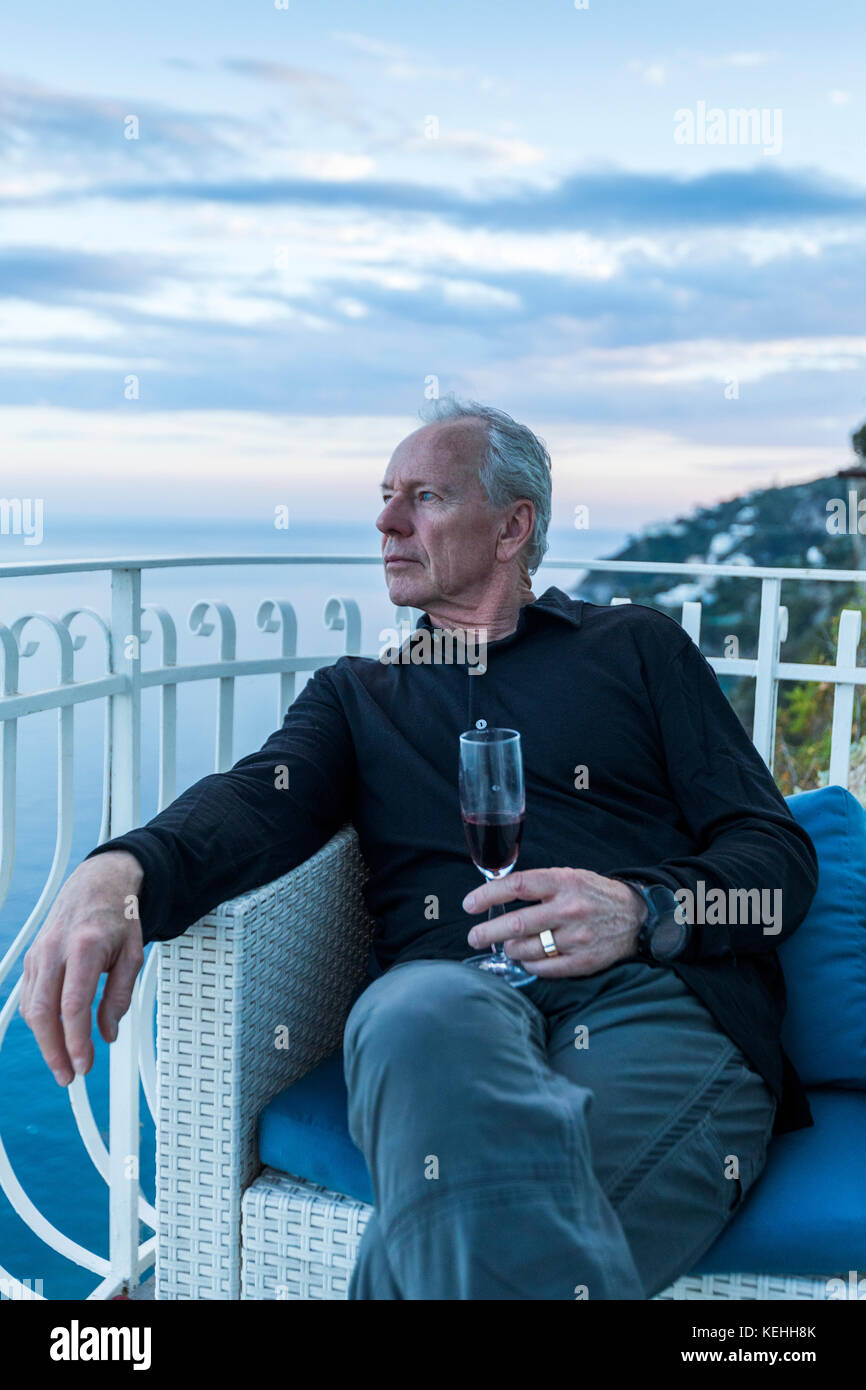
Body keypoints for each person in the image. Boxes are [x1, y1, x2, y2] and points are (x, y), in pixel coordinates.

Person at [20, 397, 818, 1299]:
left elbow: (777, 859)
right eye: (386, 495)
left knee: (492, 1245)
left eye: (425, 496)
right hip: (445, 1001)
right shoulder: (362, 696)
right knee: (411, 1017)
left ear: (514, 525)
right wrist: (116, 872)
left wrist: (640, 911)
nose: (386, 521)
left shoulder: (636, 649)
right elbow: (253, 803)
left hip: (653, 1000)